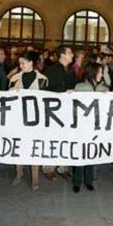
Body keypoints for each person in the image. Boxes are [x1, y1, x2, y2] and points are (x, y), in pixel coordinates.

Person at [10, 51, 48, 191]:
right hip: (18, 119)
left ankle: (35, 178)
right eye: (20, 63)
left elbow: (45, 102)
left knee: (34, 148)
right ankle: (18, 173)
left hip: (35, 121)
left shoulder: (42, 80)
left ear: (31, 63)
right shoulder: (14, 78)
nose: (20, 66)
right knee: (18, 147)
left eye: (23, 63)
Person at [72, 62, 109, 192]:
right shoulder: (79, 87)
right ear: (92, 72)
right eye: (100, 72)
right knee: (80, 155)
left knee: (92, 155)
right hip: (82, 127)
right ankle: (77, 181)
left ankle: (89, 180)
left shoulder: (105, 89)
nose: (102, 74)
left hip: (96, 128)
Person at [43, 45, 76, 181]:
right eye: (70, 52)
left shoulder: (71, 72)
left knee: (66, 138)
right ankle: (48, 167)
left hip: (67, 111)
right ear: (62, 55)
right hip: (53, 112)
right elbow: (44, 90)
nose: (72, 55)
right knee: (52, 139)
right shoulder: (51, 70)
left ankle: (63, 167)